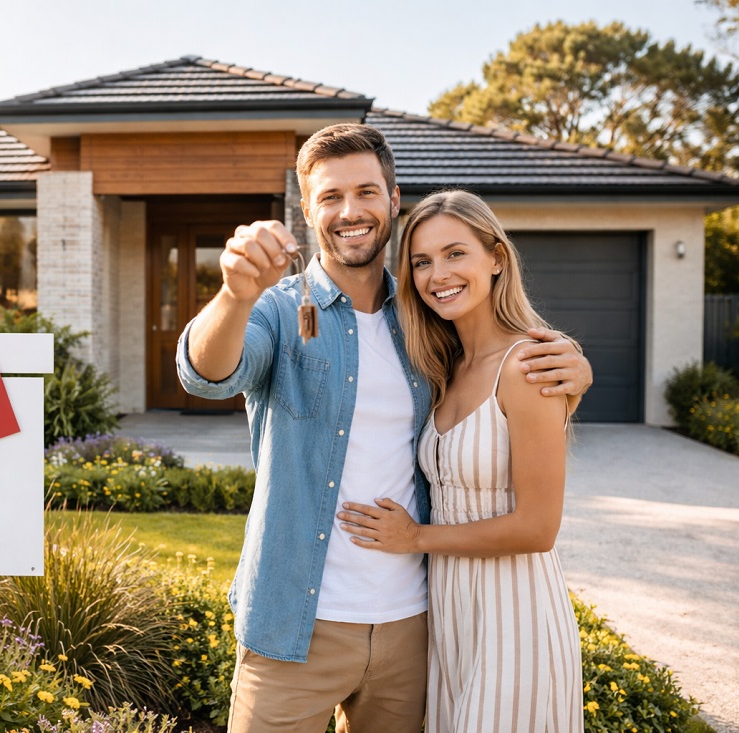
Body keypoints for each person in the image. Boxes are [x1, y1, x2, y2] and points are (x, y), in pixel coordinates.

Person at [175, 123, 591, 733]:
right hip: (296, 626)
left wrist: (575, 369)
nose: (351, 211)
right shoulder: (276, 309)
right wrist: (234, 296)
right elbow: (206, 374)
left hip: (416, 628)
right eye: (331, 197)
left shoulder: (428, 314)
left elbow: (497, 354)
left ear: (393, 200)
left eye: (367, 192)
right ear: (309, 210)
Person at [337, 189, 584, 731]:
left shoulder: (527, 364)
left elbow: (539, 527)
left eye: (455, 254)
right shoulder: (441, 367)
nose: (436, 274)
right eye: (421, 262)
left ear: (496, 258)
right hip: (451, 615)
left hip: (515, 614)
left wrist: (415, 538)